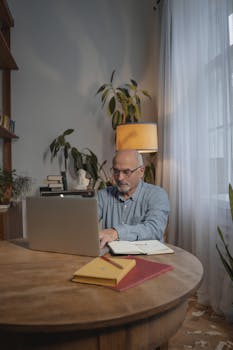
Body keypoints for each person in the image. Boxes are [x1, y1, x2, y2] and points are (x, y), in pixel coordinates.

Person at [97, 149, 170, 248]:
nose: (120, 178)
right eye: (116, 171)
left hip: (148, 258)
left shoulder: (157, 195)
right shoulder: (102, 195)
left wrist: (116, 233)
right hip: (111, 258)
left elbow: (154, 229)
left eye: (126, 172)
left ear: (141, 171)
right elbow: (85, 223)